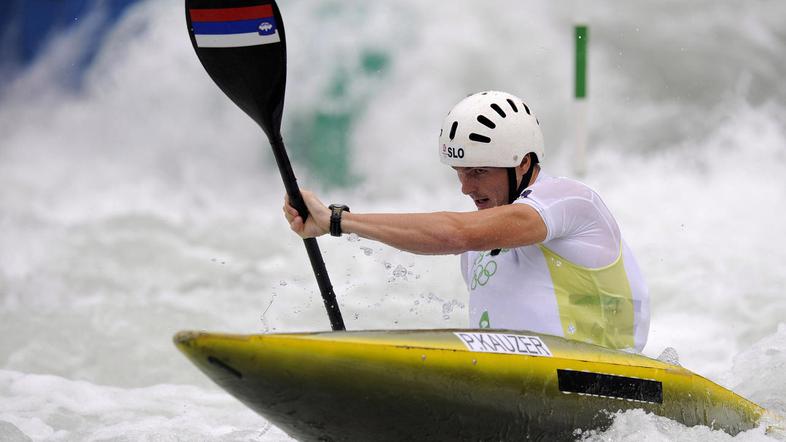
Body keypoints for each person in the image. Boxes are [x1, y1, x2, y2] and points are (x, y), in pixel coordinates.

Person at [283, 91, 650, 352]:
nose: (465, 188)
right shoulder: (477, 250)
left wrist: (338, 221)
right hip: (518, 385)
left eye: (477, 172)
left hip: (612, 384)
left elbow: (455, 233)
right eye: (459, 172)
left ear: (523, 164)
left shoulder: (571, 202)